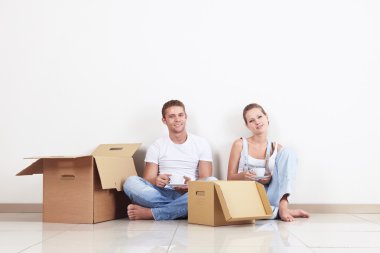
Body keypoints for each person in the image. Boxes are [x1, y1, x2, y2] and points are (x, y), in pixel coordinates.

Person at [123, 99, 216, 220]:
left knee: (212, 182)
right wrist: (156, 180)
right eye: (172, 116)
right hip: (161, 193)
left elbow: (205, 178)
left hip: (190, 193)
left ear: (185, 117)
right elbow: (148, 179)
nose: (177, 119)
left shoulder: (201, 143)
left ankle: (153, 213)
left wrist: (191, 185)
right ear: (164, 120)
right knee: (130, 182)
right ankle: (182, 209)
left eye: (180, 115)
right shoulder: (157, 145)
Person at [227, 103, 309, 222]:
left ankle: (283, 205)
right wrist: (243, 176)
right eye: (251, 120)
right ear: (247, 126)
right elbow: (229, 178)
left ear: (266, 117)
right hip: (246, 196)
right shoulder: (239, 144)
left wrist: (270, 180)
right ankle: (279, 212)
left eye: (259, 117)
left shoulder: (277, 148)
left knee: (288, 152)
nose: (257, 122)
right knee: (235, 209)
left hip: (270, 196)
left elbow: (284, 177)